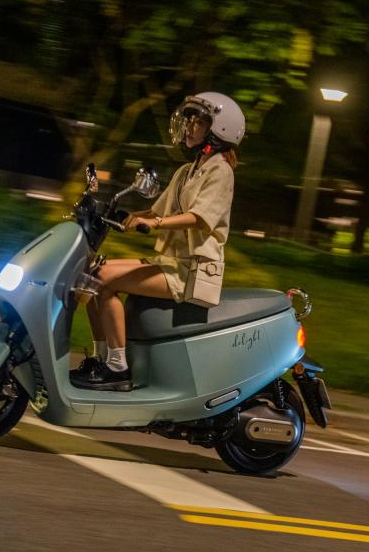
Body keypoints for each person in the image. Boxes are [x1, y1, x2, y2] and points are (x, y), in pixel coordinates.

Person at [71, 92, 245, 391]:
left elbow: (199, 218)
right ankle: (103, 360)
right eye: (189, 120)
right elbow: (156, 210)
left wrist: (155, 224)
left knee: (104, 281)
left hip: (194, 270)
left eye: (198, 122)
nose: (189, 127)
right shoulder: (187, 170)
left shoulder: (221, 171)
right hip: (171, 263)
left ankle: (117, 368)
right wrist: (120, 214)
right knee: (92, 273)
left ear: (220, 129)